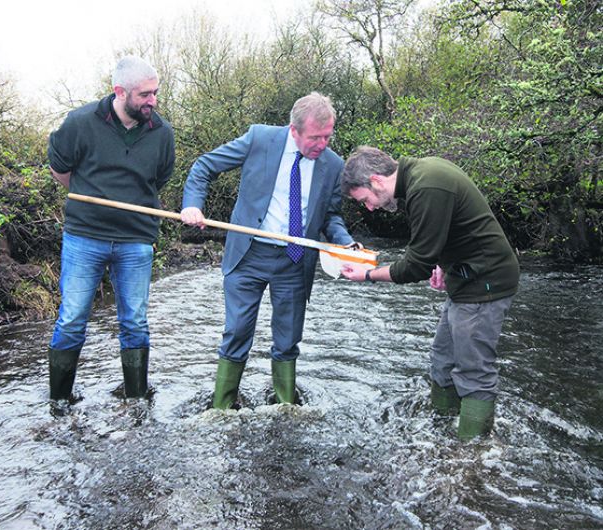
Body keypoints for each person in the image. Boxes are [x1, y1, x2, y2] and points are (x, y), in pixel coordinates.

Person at [181, 92, 359, 409]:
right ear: (294, 130)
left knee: (288, 340)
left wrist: (344, 242)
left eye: (327, 137)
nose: (322, 145)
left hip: (294, 262)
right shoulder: (259, 139)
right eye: (315, 138)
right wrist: (193, 206)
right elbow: (205, 166)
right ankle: (221, 409)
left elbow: (331, 216)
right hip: (247, 256)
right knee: (236, 332)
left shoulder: (333, 165)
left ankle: (286, 409)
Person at [340, 146, 519, 440]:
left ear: (375, 180)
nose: (369, 207)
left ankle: (471, 456)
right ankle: (442, 435)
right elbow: (441, 235)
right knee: (443, 361)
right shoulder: (418, 178)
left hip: (485, 283)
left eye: (365, 200)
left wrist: (368, 275)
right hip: (465, 278)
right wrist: (441, 264)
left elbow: (415, 266)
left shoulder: (426, 186)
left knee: (474, 372)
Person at [47, 55, 175, 401]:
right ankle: (60, 402)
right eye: (145, 94)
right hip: (84, 237)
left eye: (155, 93)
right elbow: (60, 169)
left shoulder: (162, 133)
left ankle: (135, 399)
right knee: (73, 317)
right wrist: (88, 194)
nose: (153, 101)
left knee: (134, 321)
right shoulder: (79, 122)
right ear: (120, 91)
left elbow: (158, 179)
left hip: (136, 239)